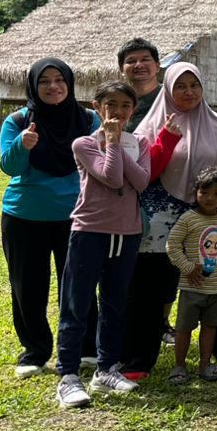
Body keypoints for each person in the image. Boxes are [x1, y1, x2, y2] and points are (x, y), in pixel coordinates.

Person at [124, 63, 217, 378]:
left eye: (195, 85)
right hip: (159, 217)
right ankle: (138, 358)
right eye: (180, 86)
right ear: (168, 89)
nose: (189, 92)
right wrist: (166, 138)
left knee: (213, 281)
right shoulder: (149, 127)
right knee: (150, 286)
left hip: (207, 214)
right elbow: (145, 173)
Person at [1, 58, 99, 379]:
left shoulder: (89, 119)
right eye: (44, 81)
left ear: (69, 83)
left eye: (59, 79)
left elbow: (103, 164)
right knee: (28, 288)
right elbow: (9, 166)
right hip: (24, 217)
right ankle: (35, 351)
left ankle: (85, 347)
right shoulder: (17, 121)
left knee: (79, 285)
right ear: (33, 86)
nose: (53, 86)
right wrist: (22, 145)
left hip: (77, 216)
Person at [54, 82, 150, 409]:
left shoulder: (140, 143)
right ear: (97, 107)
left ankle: (106, 369)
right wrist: (113, 143)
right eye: (111, 104)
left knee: (114, 303)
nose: (118, 112)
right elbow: (111, 176)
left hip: (127, 233)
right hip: (90, 231)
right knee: (76, 304)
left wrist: (119, 145)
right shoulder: (84, 144)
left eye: (125, 105)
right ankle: (68, 376)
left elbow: (141, 182)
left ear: (133, 109)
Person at [165, 166, 217, 384]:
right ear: (196, 193)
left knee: (210, 326)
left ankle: (204, 364)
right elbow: (172, 245)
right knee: (184, 328)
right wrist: (188, 267)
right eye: (204, 192)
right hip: (192, 286)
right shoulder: (188, 219)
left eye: (216, 193)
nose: (209, 198)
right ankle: (179, 366)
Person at [116, 38, 162, 131]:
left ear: (157, 66)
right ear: (121, 69)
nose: (139, 65)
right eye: (131, 61)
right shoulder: (116, 101)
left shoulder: (171, 96)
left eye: (145, 59)